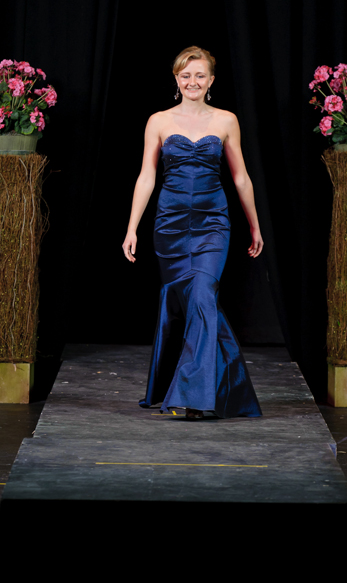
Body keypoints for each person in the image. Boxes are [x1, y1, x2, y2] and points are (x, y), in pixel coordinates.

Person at [123, 46, 263, 419]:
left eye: (200, 75)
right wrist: (132, 227)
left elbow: (240, 177)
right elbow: (146, 176)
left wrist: (254, 224)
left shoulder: (226, 120)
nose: (192, 82)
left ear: (211, 80)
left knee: (202, 295)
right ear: (176, 79)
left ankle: (193, 395)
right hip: (169, 225)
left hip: (212, 223)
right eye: (186, 75)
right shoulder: (158, 121)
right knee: (189, 304)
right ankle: (225, 389)